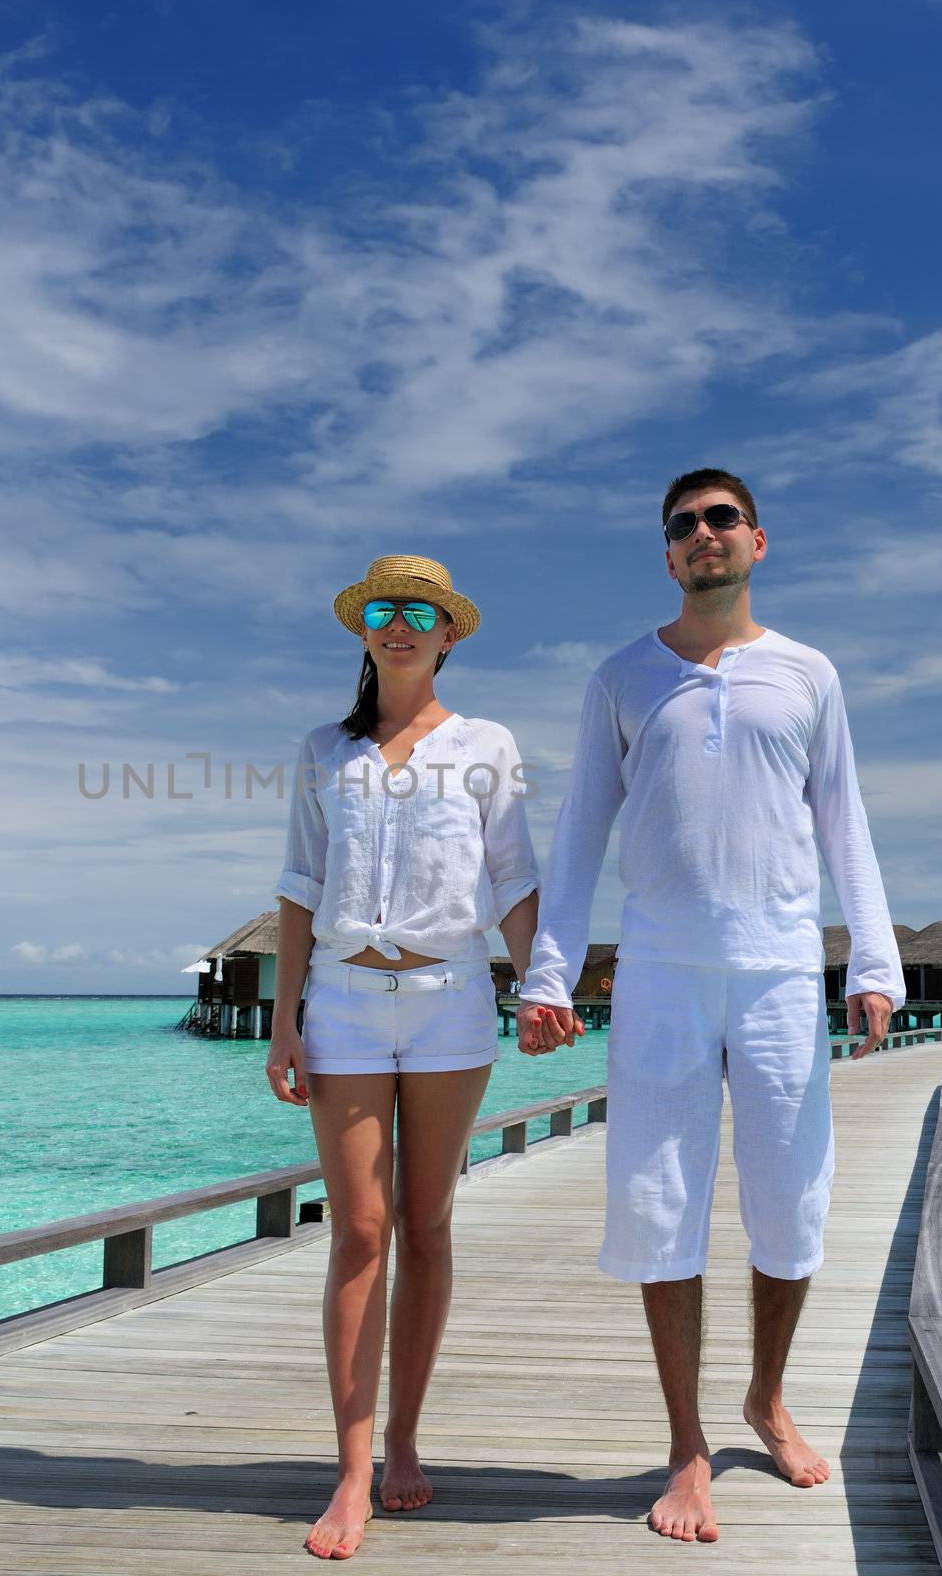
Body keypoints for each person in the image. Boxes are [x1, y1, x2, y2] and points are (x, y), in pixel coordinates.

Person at [517, 470, 905, 1546]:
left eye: (719, 519)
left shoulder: (808, 673)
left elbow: (845, 823)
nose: (701, 535)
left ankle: (765, 1398)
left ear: (756, 541)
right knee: (657, 1205)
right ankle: (686, 1444)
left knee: (790, 1203)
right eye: (682, 526)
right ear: (668, 554)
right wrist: (547, 974)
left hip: (781, 968)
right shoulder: (622, 677)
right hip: (659, 971)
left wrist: (872, 960)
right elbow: (579, 831)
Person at [267, 555, 540, 1560]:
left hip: (448, 1002)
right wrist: (284, 1016)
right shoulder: (322, 750)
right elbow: (300, 883)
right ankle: (347, 1472)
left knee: (425, 1225)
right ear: (363, 630)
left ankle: (405, 1442)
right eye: (381, 611)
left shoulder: (484, 746)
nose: (398, 626)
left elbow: (512, 876)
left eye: (417, 612)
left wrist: (541, 987)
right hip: (340, 1001)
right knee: (359, 1229)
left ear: (447, 633)